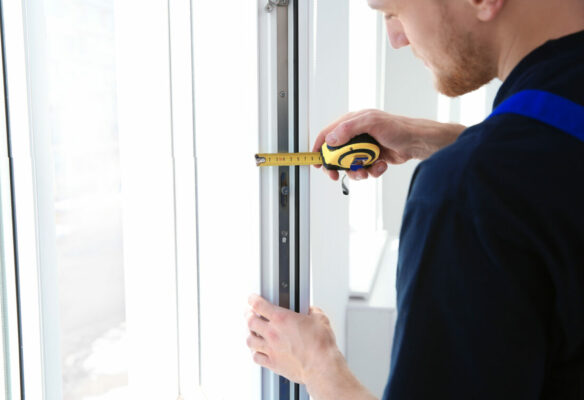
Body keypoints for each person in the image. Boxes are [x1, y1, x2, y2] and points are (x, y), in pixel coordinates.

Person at [245, 0, 584, 398]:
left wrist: (318, 365)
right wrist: (447, 139)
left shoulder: (467, 197)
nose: (395, 39)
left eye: (393, 11)